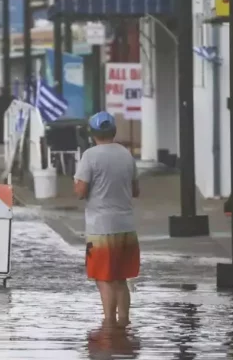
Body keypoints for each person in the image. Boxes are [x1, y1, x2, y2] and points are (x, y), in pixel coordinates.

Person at [73, 111, 140, 328]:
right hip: (126, 226)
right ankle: (124, 322)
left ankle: (109, 325)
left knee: (104, 278)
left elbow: (81, 191)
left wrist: (77, 184)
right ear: (114, 131)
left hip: (100, 227)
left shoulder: (90, 156)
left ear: (92, 133)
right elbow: (136, 190)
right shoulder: (126, 154)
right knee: (121, 278)